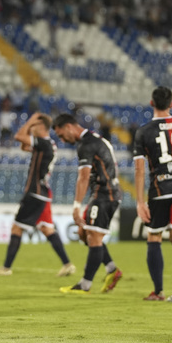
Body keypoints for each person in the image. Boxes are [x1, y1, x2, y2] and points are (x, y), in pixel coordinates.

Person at [0, 113, 76, 277]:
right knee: (46, 229)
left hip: (35, 193)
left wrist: (30, 121)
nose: (31, 129)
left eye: (35, 126)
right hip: (43, 193)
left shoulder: (43, 143)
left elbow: (18, 136)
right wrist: (31, 126)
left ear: (41, 127)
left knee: (17, 228)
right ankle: (67, 264)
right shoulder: (48, 144)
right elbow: (23, 145)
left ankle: (6, 268)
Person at [133, 86, 172, 302]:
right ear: (171, 105)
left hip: (159, 189)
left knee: (154, 236)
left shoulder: (143, 131)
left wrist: (140, 201)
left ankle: (158, 291)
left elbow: (139, 169)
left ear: (151, 103)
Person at [53, 113, 123, 295]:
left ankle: (85, 285)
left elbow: (83, 176)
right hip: (104, 192)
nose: (62, 139)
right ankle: (111, 268)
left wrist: (76, 206)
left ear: (69, 127)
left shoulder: (86, 144)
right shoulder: (97, 140)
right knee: (84, 233)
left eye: (61, 135)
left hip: (104, 193)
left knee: (93, 236)